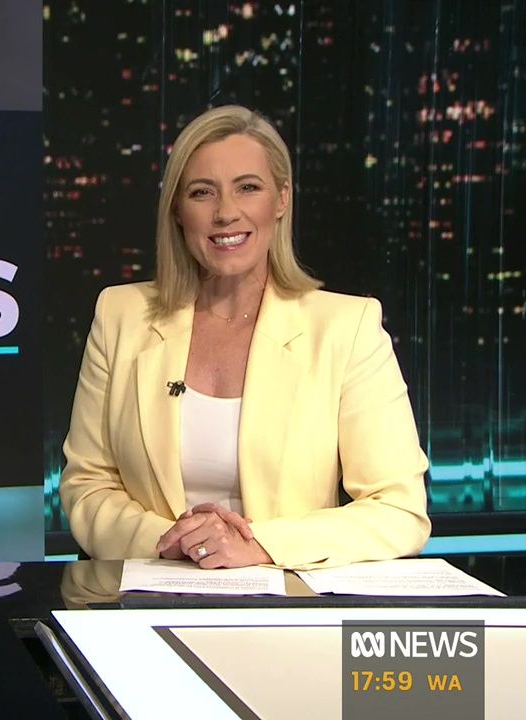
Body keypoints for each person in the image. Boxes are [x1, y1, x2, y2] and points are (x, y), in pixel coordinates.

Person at [59, 105, 430, 570]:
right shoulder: (121, 316)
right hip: (154, 589)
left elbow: (399, 509)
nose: (226, 213)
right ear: (177, 210)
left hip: (284, 597)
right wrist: (170, 541)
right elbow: (87, 485)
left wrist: (258, 545)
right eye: (202, 192)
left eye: (248, 188)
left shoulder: (346, 328)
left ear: (281, 199)